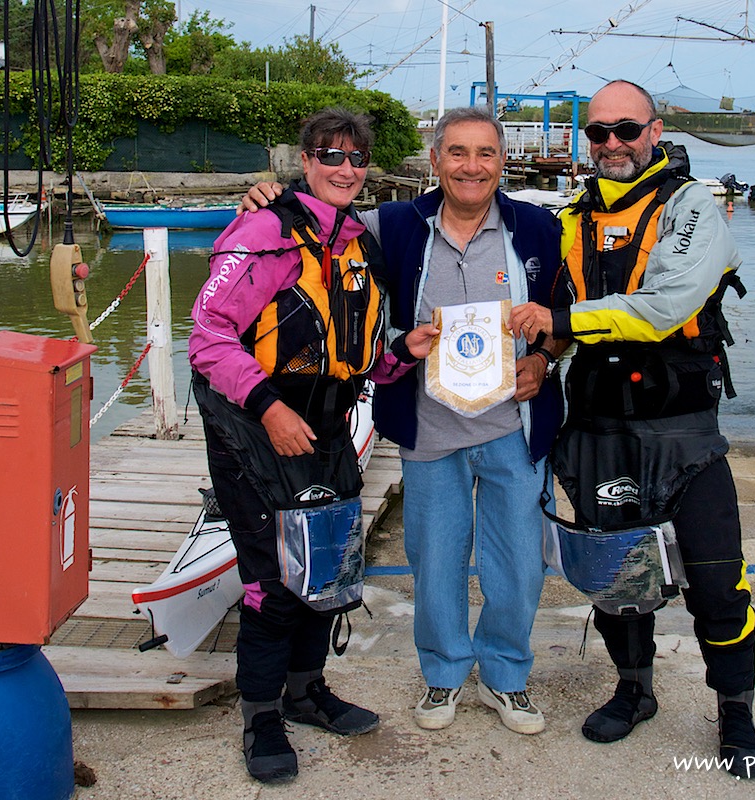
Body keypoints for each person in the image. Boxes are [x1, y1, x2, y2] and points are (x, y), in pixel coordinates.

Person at [242, 106, 567, 736]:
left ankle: (507, 676)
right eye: (457, 153)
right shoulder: (390, 224)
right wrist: (263, 196)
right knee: (435, 558)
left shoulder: (539, 228)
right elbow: (313, 222)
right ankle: (444, 673)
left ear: (502, 161)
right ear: (435, 160)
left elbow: (563, 311)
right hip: (428, 429)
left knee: (521, 563)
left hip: (514, 427)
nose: (472, 167)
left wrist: (547, 361)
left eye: (486, 154)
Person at [510, 80, 755, 779]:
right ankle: (634, 690)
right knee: (619, 579)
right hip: (597, 429)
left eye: (627, 130)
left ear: (654, 132)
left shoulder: (694, 208)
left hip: (683, 432)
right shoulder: (570, 220)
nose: (613, 144)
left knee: (717, 584)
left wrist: (559, 326)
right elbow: (547, 309)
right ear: (585, 142)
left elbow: (663, 308)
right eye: (599, 134)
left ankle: (737, 714)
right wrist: (538, 355)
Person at [189, 108, 436, 784]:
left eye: (356, 159)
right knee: (273, 582)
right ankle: (261, 718)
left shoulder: (361, 242)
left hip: (326, 425)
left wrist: (403, 355)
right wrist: (266, 409)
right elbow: (208, 336)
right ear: (305, 161)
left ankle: (306, 691)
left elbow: (358, 357)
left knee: (324, 566)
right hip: (254, 422)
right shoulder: (262, 231)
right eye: (331, 156)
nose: (345, 170)